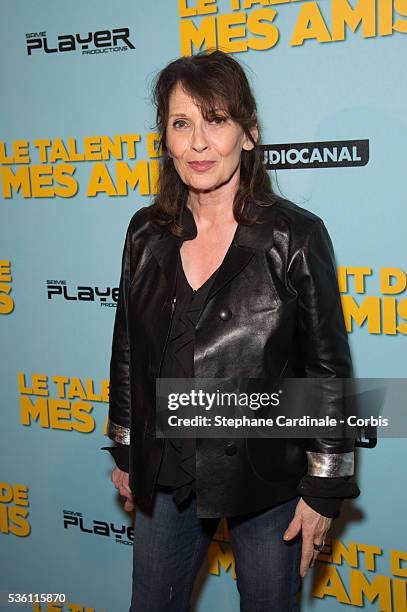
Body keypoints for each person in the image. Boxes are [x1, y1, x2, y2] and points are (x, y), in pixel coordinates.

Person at [101, 49, 360, 611]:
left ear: (248, 134)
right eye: (181, 123)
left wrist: (322, 487)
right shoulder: (145, 232)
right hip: (165, 477)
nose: (198, 143)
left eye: (215, 120)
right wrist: (126, 451)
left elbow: (326, 370)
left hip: (267, 479)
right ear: (165, 138)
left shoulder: (296, 236)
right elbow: (128, 348)